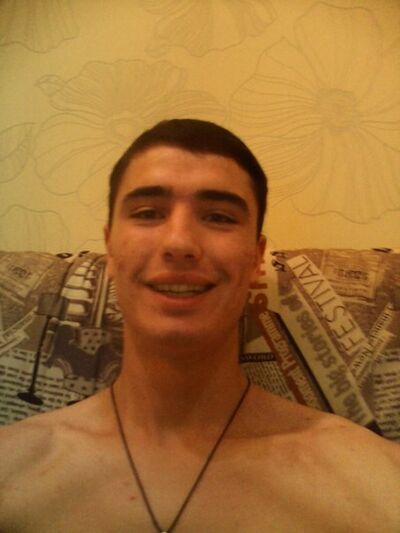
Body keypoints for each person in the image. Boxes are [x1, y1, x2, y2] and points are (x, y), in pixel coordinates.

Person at [0, 119, 399, 532]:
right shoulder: (14, 473)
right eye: (148, 213)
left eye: (219, 217)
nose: (179, 243)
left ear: (256, 257)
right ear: (110, 249)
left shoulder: (376, 485)